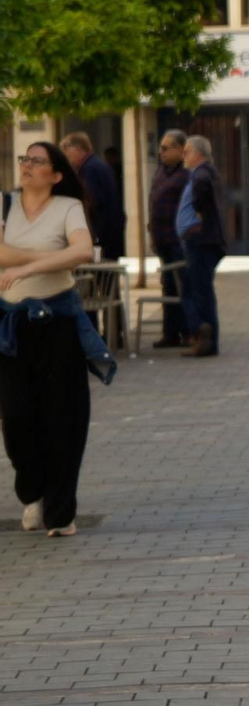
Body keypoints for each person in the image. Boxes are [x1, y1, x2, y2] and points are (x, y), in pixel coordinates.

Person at [0, 142, 117, 539]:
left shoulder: (68, 208)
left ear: (56, 174)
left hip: (59, 323)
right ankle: (33, 493)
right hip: (13, 326)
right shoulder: (4, 205)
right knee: (16, 419)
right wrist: (49, 255)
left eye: (37, 161)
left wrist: (28, 263)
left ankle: (61, 512)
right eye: (24, 160)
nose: (27, 166)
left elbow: (82, 250)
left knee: (63, 418)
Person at [177, 135, 227, 358]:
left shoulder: (202, 173)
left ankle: (203, 333)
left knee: (198, 291)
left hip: (201, 241)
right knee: (196, 289)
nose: (183, 156)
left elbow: (202, 192)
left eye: (186, 151)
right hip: (202, 240)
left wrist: (198, 210)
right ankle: (203, 334)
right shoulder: (202, 172)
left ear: (197, 153)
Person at [147, 130, 191, 349]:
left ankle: (188, 331)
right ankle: (170, 332)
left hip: (178, 241)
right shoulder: (161, 171)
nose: (160, 152)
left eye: (165, 148)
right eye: (161, 148)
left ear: (180, 150)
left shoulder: (186, 174)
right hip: (162, 238)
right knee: (168, 286)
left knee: (183, 285)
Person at [60, 131, 125, 261]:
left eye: (67, 150)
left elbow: (90, 202)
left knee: (100, 277)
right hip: (110, 232)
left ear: (78, 149)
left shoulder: (89, 170)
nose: (66, 156)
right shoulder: (98, 165)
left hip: (101, 234)